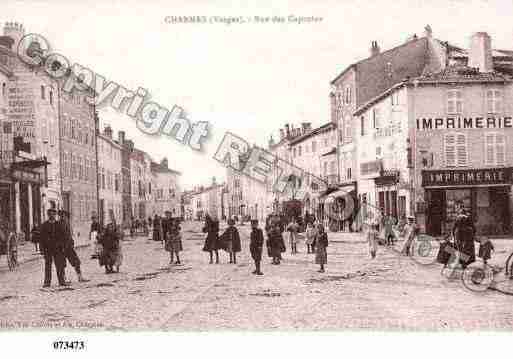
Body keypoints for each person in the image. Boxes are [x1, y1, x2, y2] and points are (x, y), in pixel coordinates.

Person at [39, 208, 67, 287]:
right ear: (48, 215)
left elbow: (64, 236)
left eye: (53, 214)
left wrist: (62, 246)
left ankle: (61, 281)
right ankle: (47, 282)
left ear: (55, 215)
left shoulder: (59, 225)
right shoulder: (44, 225)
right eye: (50, 214)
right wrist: (42, 249)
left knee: (59, 265)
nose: (52, 215)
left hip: (57, 248)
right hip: (48, 249)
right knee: (48, 266)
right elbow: (41, 238)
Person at [59, 210, 88, 283]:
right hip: (62, 247)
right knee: (62, 264)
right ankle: (64, 279)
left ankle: (80, 277)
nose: (63, 217)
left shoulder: (67, 223)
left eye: (64, 216)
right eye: (62, 216)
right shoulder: (58, 224)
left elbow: (69, 235)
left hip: (69, 246)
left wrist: (71, 242)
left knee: (76, 262)